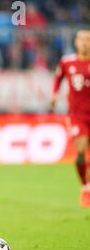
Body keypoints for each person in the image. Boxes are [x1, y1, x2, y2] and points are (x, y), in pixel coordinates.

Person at [50, 30, 90, 207]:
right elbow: (58, 78)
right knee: (81, 150)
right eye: (81, 39)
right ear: (76, 42)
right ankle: (84, 186)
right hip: (77, 115)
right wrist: (54, 95)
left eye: (87, 40)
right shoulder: (67, 62)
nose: (84, 43)